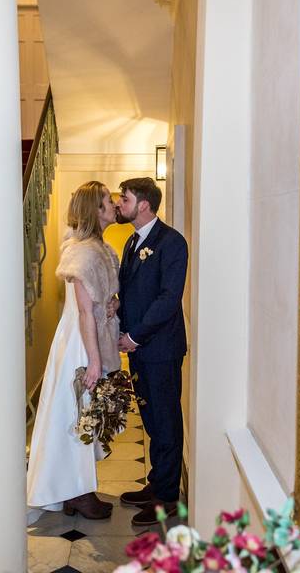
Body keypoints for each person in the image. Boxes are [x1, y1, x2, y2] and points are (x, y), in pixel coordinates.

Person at [27, 181, 123, 520]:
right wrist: (94, 362)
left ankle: (74, 490)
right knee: (77, 416)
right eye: (108, 201)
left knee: (80, 415)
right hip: (81, 346)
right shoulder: (83, 252)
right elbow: (84, 311)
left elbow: (95, 304)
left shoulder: (97, 248)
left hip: (87, 338)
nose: (114, 205)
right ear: (95, 211)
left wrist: (110, 305)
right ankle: (79, 493)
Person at [114, 177, 189, 527]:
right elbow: (132, 292)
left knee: (166, 420)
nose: (119, 204)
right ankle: (156, 484)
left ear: (143, 204)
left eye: (124, 199)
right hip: (138, 347)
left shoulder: (172, 242)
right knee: (149, 418)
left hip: (160, 348)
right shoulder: (132, 242)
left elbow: (168, 300)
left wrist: (135, 336)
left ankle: (168, 498)